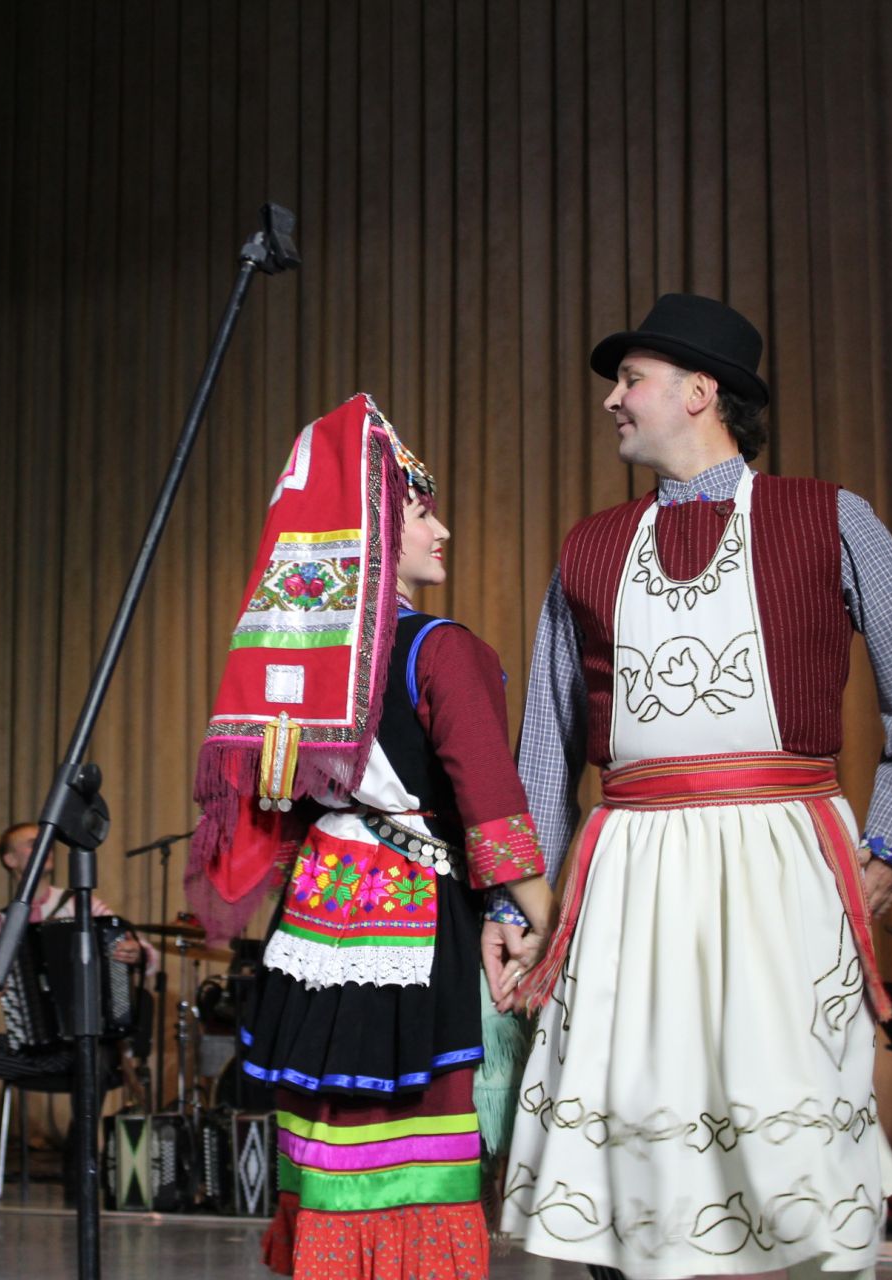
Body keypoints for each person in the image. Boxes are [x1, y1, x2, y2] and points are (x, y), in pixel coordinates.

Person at [497, 294, 892, 1279]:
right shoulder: (587, 547)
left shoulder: (826, 517)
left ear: (702, 391)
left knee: (783, 1135)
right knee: (632, 1133)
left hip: (780, 861)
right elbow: (543, 739)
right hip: (628, 871)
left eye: (630, 380)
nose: (612, 402)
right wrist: (521, 897)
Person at [186, 393, 554, 1278]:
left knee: (329, 1113)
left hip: (320, 917)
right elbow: (490, 802)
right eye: (424, 511)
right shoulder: (443, 650)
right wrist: (541, 911)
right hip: (415, 919)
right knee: (412, 1112)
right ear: (383, 525)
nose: (444, 531)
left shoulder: (308, 672)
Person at [0, 821, 156, 1196]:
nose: (45, 846)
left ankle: (81, 1178)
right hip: (31, 1049)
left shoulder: (84, 904)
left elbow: (144, 952)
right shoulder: (3, 921)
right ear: (10, 861)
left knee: (97, 1052)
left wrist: (137, 952)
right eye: (31, 843)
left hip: (81, 1052)